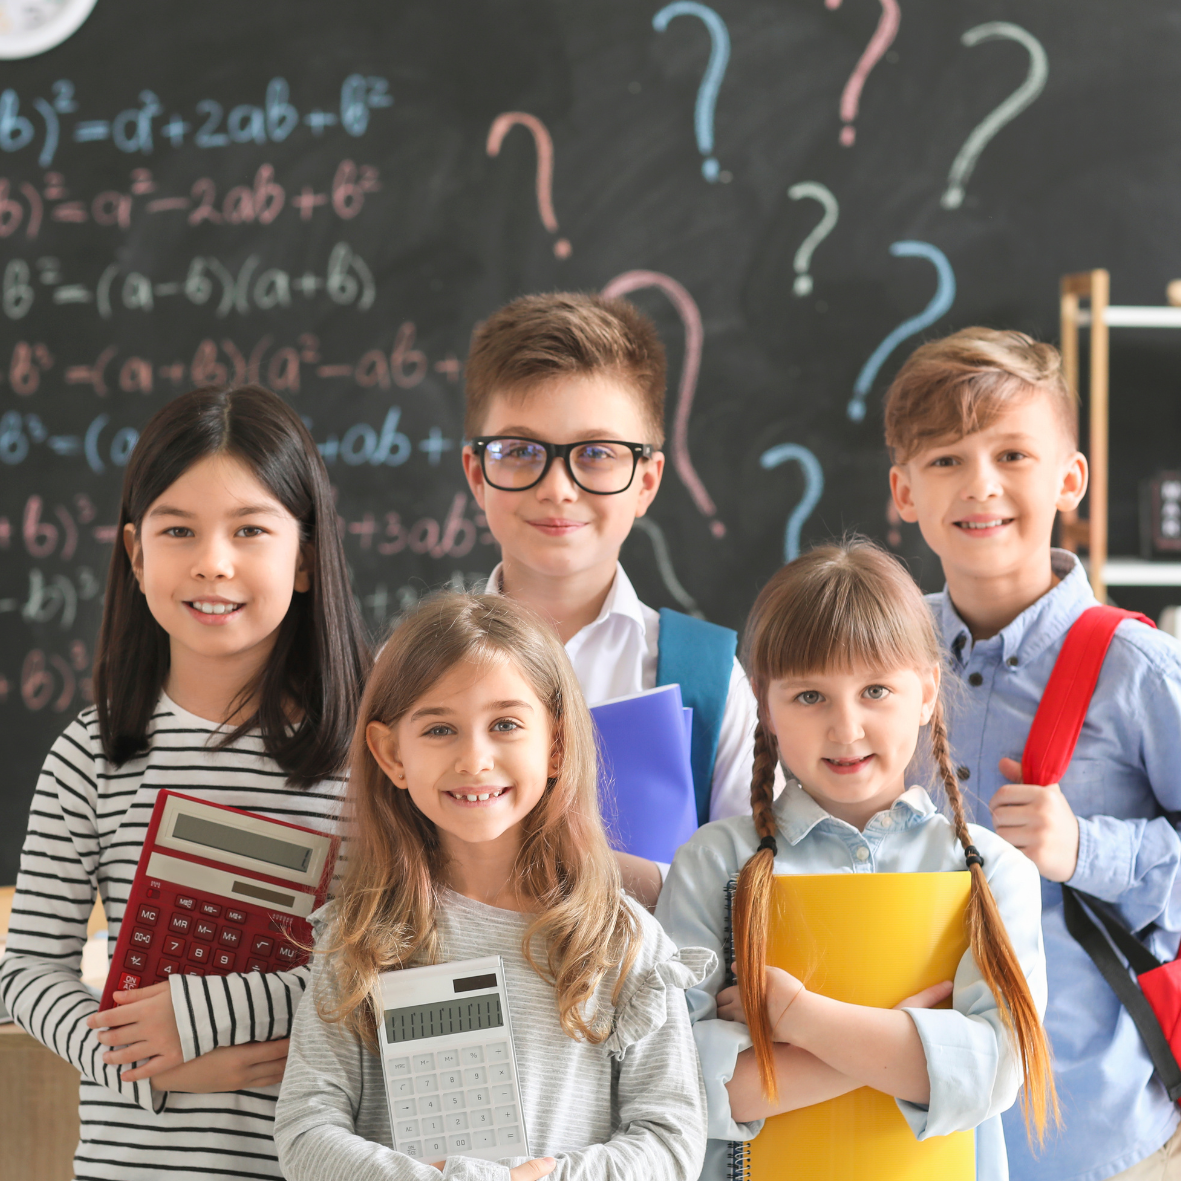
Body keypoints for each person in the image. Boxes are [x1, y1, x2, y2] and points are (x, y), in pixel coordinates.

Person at [0, 385, 371, 1180]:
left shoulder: (365, 760)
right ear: (136, 556)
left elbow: (385, 962)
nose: (213, 560)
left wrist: (201, 1014)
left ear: (304, 556)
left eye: (249, 529)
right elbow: (27, 970)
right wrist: (145, 1060)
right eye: (178, 530)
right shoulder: (89, 753)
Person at [274, 592, 711, 1181]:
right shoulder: (358, 937)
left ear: (556, 743)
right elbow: (307, 1130)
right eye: (439, 729)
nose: (475, 759)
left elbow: (671, 1139)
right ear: (389, 754)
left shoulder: (623, 940)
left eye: (505, 724)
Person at [656, 540, 1054, 1181]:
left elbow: (996, 1072)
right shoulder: (712, 865)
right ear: (765, 703)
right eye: (809, 697)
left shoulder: (992, 869)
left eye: (875, 690)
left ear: (926, 691)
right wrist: (909, 1043)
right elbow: (685, 1086)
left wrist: (797, 1019)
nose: (845, 728)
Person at [886, 327, 1181, 1181]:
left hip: (1098, 1140)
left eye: (1011, 453)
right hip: (921, 1130)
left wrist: (1087, 849)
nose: (980, 485)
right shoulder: (883, 664)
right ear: (903, 490)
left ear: (1068, 478)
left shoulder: (1137, 669)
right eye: (945, 459)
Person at [461, 293, 766, 899]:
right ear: (477, 474)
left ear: (646, 482)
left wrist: (601, 873)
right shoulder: (408, 669)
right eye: (520, 452)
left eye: (596, 454)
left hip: (653, 989)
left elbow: (756, 889)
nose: (558, 489)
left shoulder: (705, 676)